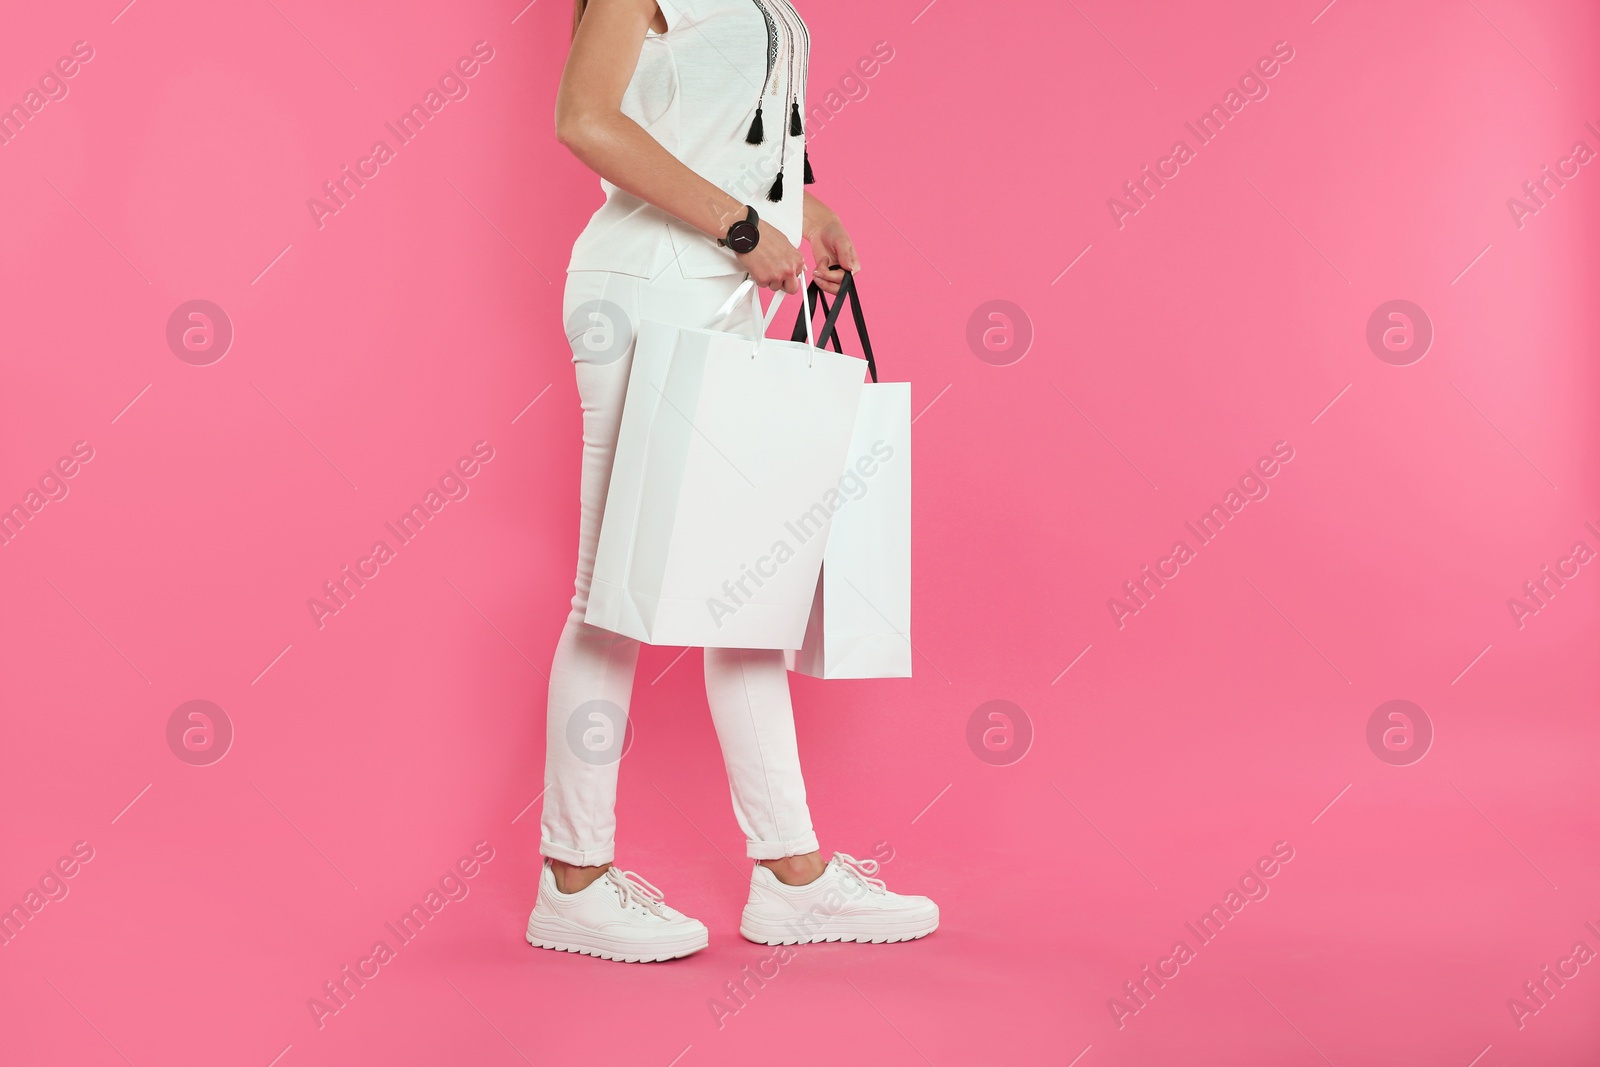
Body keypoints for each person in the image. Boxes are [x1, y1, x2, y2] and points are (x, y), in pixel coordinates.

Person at [525, 0, 938, 962]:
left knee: (751, 589)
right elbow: (585, 118)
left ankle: (790, 875)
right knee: (609, 593)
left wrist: (802, 206)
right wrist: (746, 228)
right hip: (644, 296)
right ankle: (572, 880)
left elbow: (728, 117)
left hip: (721, 291)